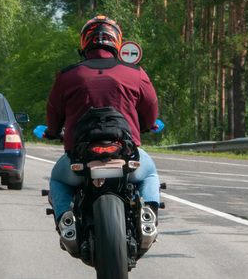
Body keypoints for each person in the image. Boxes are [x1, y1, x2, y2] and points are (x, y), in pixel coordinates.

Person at [45, 15, 161, 226]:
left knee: (58, 179)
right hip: (125, 153)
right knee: (150, 174)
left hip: (79, 157)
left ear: (85, 42)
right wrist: (147, 125)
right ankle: (149, 216)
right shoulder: (135, 73)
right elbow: (151, 107)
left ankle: (66, 220)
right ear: (116, 41)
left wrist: (52, 131)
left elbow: (53, 112)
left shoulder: (67, 75)